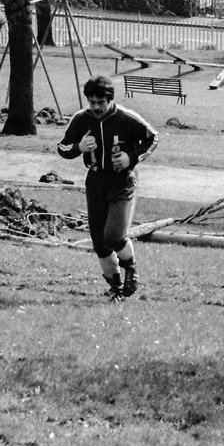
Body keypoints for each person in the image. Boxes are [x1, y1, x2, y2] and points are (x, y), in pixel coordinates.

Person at [57, 75, 158, 301]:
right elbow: (62, 147)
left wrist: (131, 157)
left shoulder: (126, 118)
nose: (96, 107)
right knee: (99, 243)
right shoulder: (81, 119)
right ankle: (115, 287)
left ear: (110, 99)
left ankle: (131, 268)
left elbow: (152, 138)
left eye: (101, 103)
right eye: (92, 102)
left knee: (114, 236)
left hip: (122, 181)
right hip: (95, 182)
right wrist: (78, 147)